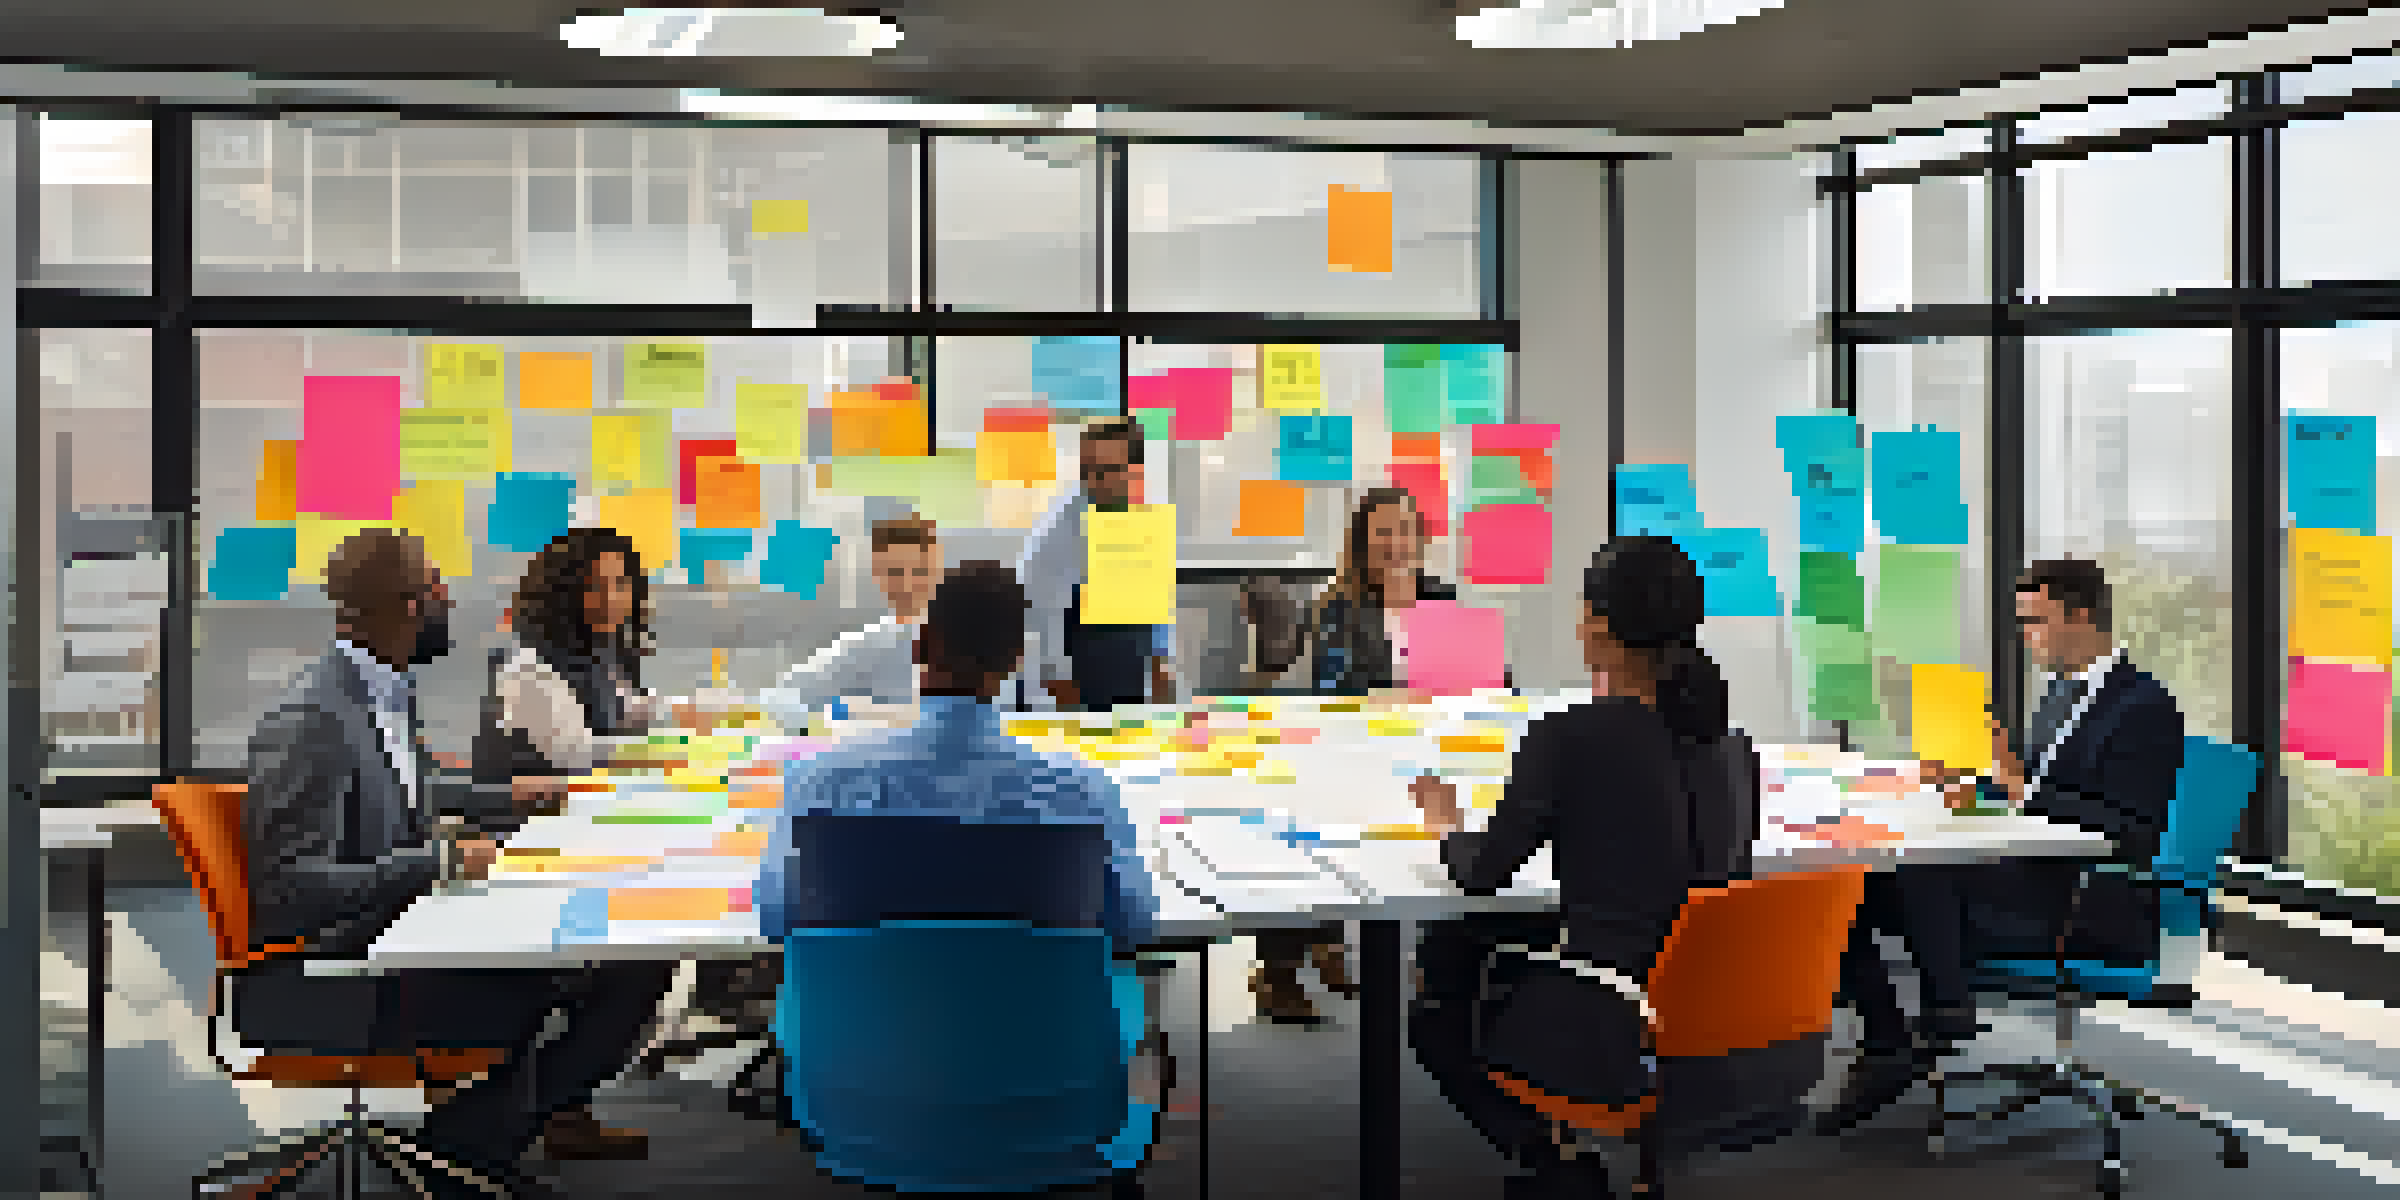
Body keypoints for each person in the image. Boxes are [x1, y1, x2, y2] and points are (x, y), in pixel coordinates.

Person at [236, 529, 674, 1197]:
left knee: (617, 955)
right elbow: (289, 888)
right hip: (336, 970)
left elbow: (409, 787)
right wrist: (437, 862)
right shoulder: (312, 719)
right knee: (594, 971)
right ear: (410, 605)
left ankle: (482, 1138)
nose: (449, 601)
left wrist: (510, 795)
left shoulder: (380, 688)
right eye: (437, 588)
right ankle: (469, 1151)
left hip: (399, 929)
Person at [755, 561, 1162, 1191]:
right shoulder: (1080, 792)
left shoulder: (820, 784)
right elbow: (1134, 925)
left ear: (922, 645)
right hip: (1054, 1104)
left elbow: (776, 918)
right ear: (1015, 660)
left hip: (858, 1103)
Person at [1406, 534, 1729, 1199]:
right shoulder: (1728, 743)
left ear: (1600, 627)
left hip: (1614, 1011)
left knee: (1442, 974)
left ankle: (1552, 1160)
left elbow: (1482, 873)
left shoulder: (1570, 735)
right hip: (1718, 1012)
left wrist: (1446, 825)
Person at [1817, 557, 2184, 1133]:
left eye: (2036, 621)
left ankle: (1945, 1012)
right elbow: (2043, 792)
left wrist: (2018, 787)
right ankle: (1889, 1040)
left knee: (1916, 870)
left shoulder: (2144, 707)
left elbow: (2131, 827)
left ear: (2081, 617)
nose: (2026, 635)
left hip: (2086, 902)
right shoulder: (2060, 694)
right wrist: (1977, 785)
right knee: (1842, 889)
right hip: (2032, 874)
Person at [1250, 487, 1458, 1022]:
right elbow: (1333, 689)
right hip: (1348, 751)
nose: (1394, 543)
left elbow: (1484, 678)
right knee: (1313, 831)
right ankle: (1279, 971)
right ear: (1362, 541)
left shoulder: (1441, 598)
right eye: (1382, 531)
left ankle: (1341, 946)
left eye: (1403, 530)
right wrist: (1391, 695)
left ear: (1419, 538)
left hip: (1423, 748)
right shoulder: (1338, 606)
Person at [473, 526, 670, 788]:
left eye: (621, 583)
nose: (610, 598)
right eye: (594, 586)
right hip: (538, 809)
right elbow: (580, 755)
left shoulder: (598, 646)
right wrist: (666, 754)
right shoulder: (529, 666)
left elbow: (623, 707)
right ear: (563, 592)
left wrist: (677, 711)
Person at [1018, 418, 1177, 713]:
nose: (1093, 481)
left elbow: (1156, 607)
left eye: (1106, 471)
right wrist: (1058, 679)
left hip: (1131, 669)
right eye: (1087, 471)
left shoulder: (1146, 516)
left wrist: (1161, 663)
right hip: (1079, 673)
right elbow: (1044, 615)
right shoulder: (1061, 532)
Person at [761, 516, 941, 729]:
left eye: (919, 571)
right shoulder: (871, 643)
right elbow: (781, 696)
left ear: (936, 572)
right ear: (879, 576)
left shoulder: (962, 638)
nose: (907, 584)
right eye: (895, 572)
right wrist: (842, 717)